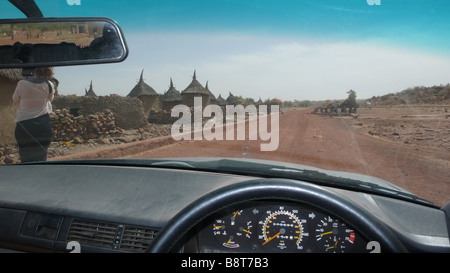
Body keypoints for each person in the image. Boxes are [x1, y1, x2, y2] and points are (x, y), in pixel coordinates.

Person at [12, 67, 55, 163]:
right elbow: (50, 99)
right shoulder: (49, 85)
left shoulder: (22, 84)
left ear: (33, 71)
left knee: (25, 156)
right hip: (43, 124)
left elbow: (15, 99)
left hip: (24, 124)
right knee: (42, 155)